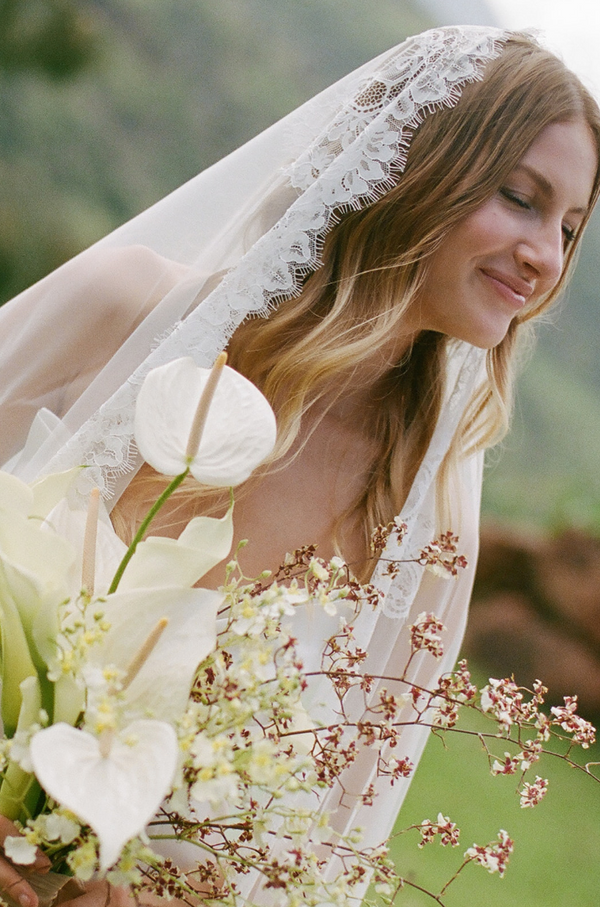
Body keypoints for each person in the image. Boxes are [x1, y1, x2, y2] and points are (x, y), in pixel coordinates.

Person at [0, 23, 598, 907]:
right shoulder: (123, 312)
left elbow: (326, 849)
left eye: (571, 226)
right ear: (412, 166)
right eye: (519, 197)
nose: (546, 256)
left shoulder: (423, 524)